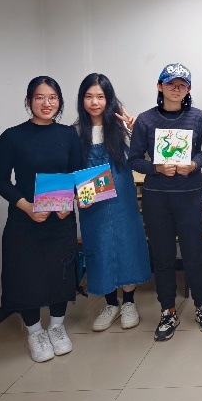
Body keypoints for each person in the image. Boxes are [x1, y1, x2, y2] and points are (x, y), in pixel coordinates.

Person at [0, 77, 82, 362]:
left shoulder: (68, 134)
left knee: (60, 273)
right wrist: (27, 207)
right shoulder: (12, 136)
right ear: (29, 101)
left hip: (60, 219)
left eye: (52, 97)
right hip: (25, 219)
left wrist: (71, 202)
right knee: (25, 275)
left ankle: (56, 326)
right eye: (40, 97)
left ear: (59, 101)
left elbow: (77, 174)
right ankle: (34, 331)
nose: (46, 103)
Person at [128, 63, 202, 341]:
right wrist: (156, 168)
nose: (176, 89)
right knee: (163, 256)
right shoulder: (145, 120)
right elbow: (134, 160)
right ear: (159, 86)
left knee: (195, 253)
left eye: (182, 85)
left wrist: (194, 164)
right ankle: (167, 310)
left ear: (188, 89)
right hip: (157, 198)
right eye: (170, 84)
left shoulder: (198, 117)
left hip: (190, 196)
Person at [75, 74, 152, 332]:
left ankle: (129, 302)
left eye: (100, 96)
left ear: (109, 99)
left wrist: (135, 130)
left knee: (127, 244)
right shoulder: (75, 132)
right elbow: (68, 169)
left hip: (123, 200)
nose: (94, 102)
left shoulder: (120, 128)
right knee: (99, 247)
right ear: (81, 100)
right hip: (92, 203)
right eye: (89, 96)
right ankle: (110, 304)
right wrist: (75, 195)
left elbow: (147, 156)